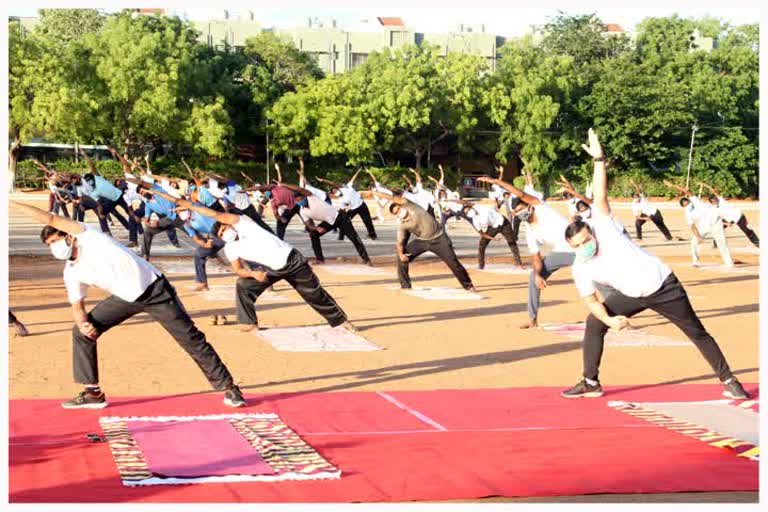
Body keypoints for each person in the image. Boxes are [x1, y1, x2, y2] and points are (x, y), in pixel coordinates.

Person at [560, 128, 748, 400]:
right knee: (594, 322)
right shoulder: (581, 266)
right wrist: (610, 320)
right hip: (633, 295)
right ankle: (590, 382)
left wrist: (599, 160)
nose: (583, 246)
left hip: (663, 286)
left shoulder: (605, 228)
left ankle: (730, 382)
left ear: (590, 231)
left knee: (696, 332)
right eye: (577, 245)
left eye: (584, 240)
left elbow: (599, 195)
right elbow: (591, 301)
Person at [12, 200, 246, 409]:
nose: (54, 247)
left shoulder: (89, 237)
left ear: (69, 235)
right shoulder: (71, 271)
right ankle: (93, 393)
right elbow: (77, 305)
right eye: (49, 244)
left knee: (190, 338)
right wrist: (84, 325)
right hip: (125, 298)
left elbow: (51, 218)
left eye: (56, 240)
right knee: (80, 333)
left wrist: (10, 203)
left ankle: (229, 388)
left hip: (155, 290)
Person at [179, 199, 358, 334]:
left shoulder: (245, 224)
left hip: (292, 260)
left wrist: (186, 204)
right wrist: (252, 274)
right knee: (243, 285)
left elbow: (215, 215)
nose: (223, 233)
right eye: (220, 234)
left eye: (223, 229)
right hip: (271, 269)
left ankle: (341, 321)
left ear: (228, 224)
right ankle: (249, 323)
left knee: (313, 294)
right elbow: (238, 269)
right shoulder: (230, 248)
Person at [477, 173, 574, 329]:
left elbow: (520, 193)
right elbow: (535, 256)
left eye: (520, 209)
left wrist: (496, 181)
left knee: (599, 276)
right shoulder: (530, 230)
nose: (519, 214)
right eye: (515, 213)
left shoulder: (541, 207)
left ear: (529, 205)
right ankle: (533, 319)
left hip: (580, 246)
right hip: (564, 252)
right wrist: (538, 275)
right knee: (533, 278)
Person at [370, 190, 475, 291]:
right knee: (401, 257)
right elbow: (399, 242)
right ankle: (405, 285)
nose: (399, 212)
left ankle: (468, 285)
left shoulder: (412, 206)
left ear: (402, 206)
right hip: (422, 241)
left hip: (439, 238)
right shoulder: (403, 225)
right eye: (396, 213)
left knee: (453, 262)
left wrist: (375, 193)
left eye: (399, 209)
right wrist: (402, 254)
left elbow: (393, 198)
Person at [279, 182, 373, 265]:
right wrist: (316, 229)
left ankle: (366, 259)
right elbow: (309, 225)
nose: (299, 201)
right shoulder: (303, 212)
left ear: (304, 196)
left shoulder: (311, 197)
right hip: (329, 222)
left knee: (354, 237)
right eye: (297, 201)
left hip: (340, 217)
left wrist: (284, 185)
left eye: (299, 199)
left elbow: (300, 189)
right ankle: (320, 259)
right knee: (313, 234)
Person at [665, 180, 734, 267]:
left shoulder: (695, 201)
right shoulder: (687, 213)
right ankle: (696, 261)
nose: (685, 202)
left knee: (722, 243)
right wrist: (698, 237)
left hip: (716, 224)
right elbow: (692, 226)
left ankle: (729, 262)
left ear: (688, 200)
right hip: (703, 225)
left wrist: (673, 185)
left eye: (686, 200)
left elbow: (687, 191)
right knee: (694, 242)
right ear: (683, 206)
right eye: (683, 203)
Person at [449, 200, 524, 269]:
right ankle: (481, 265)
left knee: (511, 242)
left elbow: (465, 202)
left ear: (471, 208)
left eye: (468, 210)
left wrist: (453, 200)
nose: (468, 212)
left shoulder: (478, 207)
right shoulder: (475, 221)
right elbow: (482, 234)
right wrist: (493, 238)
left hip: (504, 223)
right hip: (492, 227)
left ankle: (519, 263)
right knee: (482, 244)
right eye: (466, 213)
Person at [317, 169, 378, 241]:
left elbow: (352, 178)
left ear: (338, 189)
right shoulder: (341, 200)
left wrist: (323, 180)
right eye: (333, 193)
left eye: (335, 190)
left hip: (362, 205)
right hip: (353, 209)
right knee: (344, 221)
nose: (335, 192)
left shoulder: (346, 187)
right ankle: (341, 236)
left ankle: (372, 235)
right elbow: (343, 209)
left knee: (367, 221)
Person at [700, 182, 759, 248]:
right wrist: (727, 223)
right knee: (718, 228)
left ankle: (757, 243)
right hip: (727, 219)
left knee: (747, 230)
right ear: (711, 202)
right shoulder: (713, 209)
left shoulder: (721, 201)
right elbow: (718, 220)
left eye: (715, 199)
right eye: (713, 201)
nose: (715, 201)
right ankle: (717, 244)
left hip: (738, 216)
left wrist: (705, 185)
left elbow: (714, 191)